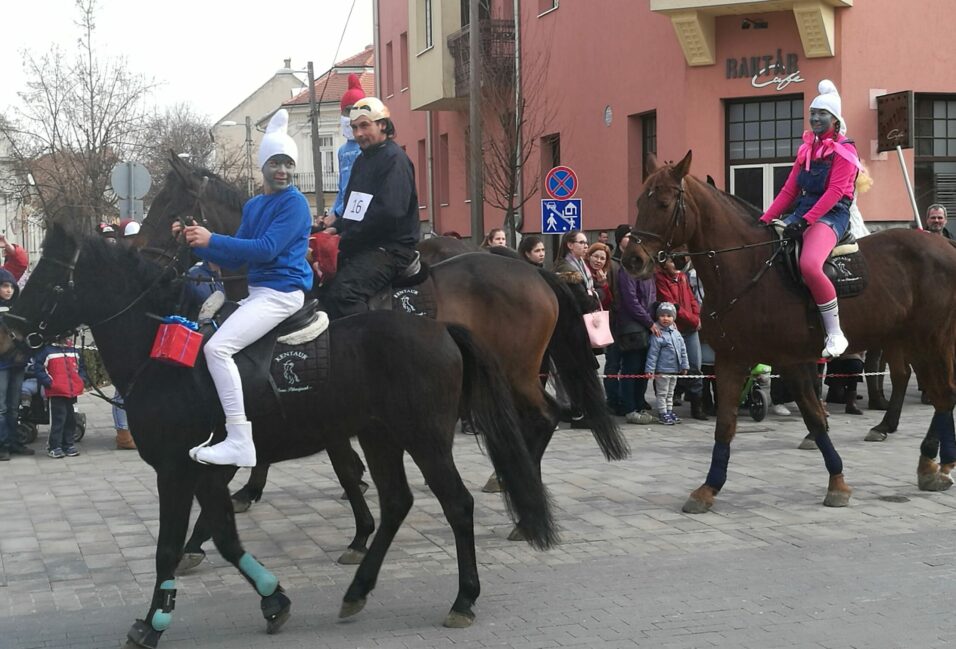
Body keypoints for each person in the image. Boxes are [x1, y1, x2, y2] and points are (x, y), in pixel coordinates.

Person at [174, 108, 312, 467]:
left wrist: (211, 237)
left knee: (217, 349)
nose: (282, 170)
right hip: (260, 294)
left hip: (282, 295)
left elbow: (265, 249)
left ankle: (239, 439)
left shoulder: (295, 204)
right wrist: (194, 240)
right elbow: (235, 257)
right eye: (275, 163)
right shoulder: (254, 205)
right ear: (263, 166)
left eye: (287, 164)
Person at [759, 80, 863, 359]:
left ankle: (835, 333)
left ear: (835, 119)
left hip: (832, 214)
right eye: (812, 114)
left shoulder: (845, 150)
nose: (815, 119)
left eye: (822, 114)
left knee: (809, 264)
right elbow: (789, 189)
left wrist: (804, 222)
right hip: (803, 211)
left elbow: (835, 192)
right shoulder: (807, 149)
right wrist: (765, 219)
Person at [322, 97, 420, 319]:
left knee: (343, 293)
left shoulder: (395, 160)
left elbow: (389, 213)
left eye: (364, 126)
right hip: (363, 244)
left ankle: (373, 349)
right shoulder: (362, 161)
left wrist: (344, 237)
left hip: (391, 249)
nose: (358, 134)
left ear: (382, 124)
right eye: (354, 127)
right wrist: (334, 229)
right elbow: (354, 209)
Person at [654, 255, 706, 420]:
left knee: (694, 366)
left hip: (690, 329)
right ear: (663, 264)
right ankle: (665, 406)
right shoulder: (660, 279)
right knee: (667, 366)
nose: (675, 264)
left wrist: (697, 317)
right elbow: (672, 306)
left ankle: (697, 406)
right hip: (672, 329)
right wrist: (693, 319)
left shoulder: (683, 277)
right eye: (671, 261)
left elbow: (692, 300)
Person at [612, 256, 658, 425]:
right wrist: (649, 321)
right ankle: (630, 408)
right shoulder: (627, 270)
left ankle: (639, 406)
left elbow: (652, 299)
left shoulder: (648, 270)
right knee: (631, 368)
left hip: (647, 325)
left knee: (643, 369)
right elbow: (631, 300)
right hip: (632, 326)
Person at [322, 73, 367, 232]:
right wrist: (331, 214)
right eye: (347, 111)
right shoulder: (342, 151)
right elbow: (342, 190)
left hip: (358, 217)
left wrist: (336, 213)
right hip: (343, 214)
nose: (350, 117)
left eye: (355, 111)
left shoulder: (366, 148)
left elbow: (360, 189)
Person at [34, 335, 88, 459]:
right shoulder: (47, 351)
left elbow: (81, 368)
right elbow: (39, 368)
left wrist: (81, 380)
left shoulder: (74, 350)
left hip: (72, 391)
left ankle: (68, 444)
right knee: (58, 419)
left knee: (71, 419)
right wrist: (50, 383)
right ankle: (54, 446)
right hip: (56, 392)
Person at [0, 268, 32, 460]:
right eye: (4, 286)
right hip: (1, 366)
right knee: (1, 407)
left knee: (13, 406)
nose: (9, 290)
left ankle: (13, 442)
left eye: (11, 286)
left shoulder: (19, 309)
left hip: (17, 364)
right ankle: (3, 444)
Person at [644, 302, 689, 425]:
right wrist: (650, 369)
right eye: (662, 315)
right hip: (662, 370)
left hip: (674, 369)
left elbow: (683, 350)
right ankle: (662, 412)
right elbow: (652, 354)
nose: (665, 318)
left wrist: (684, 365)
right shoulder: (657, 334)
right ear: (658, 316)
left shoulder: (676, 333)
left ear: (673, 317)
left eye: (669, 316)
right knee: (662, 393)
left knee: (671, 392)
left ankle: (669, 411)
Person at [552, 230, 600, 312]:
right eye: (581, 242)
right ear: (570, 245)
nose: (586, 246)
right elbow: (585, 302)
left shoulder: (582, 264)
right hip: (572, 317)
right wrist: (600, 293)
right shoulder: (566, 269)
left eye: (586, 243)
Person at [586, 242, 614, 310]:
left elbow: (608, 302)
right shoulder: (584, 272)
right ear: (589, 256)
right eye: (596, 256)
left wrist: (604, 284)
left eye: (602, 258)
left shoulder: (606, 274)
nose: (598, 261)